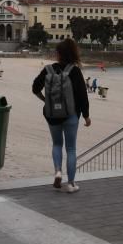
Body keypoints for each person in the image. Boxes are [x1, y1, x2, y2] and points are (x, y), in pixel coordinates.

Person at [32, 38, 90, 193]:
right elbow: (82, 96)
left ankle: (58, 171)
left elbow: (34, 88)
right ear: (73, 53)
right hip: (71, 115)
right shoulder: (75, 70)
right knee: (71, 148)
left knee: (57, 144)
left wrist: (45, 101)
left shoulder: (48, 70)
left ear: (58, 54)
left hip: (52, 115)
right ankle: (71, 184)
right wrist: (86, 115)